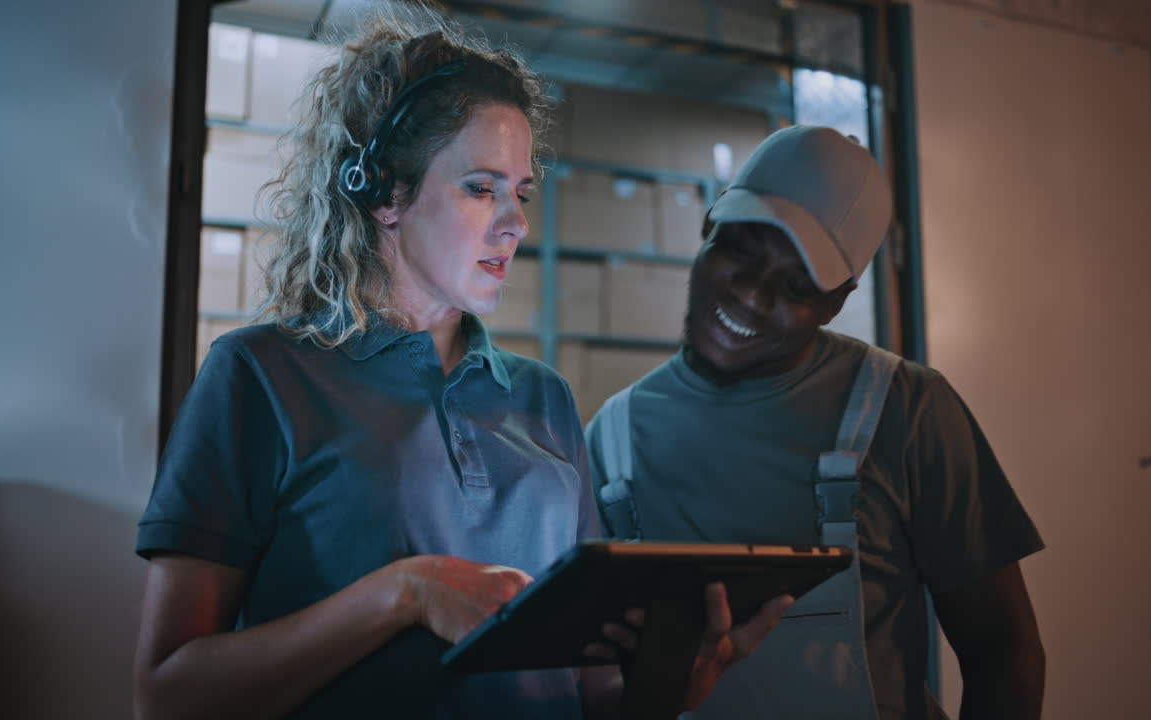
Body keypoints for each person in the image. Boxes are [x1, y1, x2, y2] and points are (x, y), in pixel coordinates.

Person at [132, 8, 790, 720]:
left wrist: (670, 681)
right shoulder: (259, 376)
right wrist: (405, 593)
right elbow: (169, 695)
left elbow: (591, 689)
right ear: (384, 190)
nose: (515, 223)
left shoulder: (543, 399)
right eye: (481, 188)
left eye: (521, 192)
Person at [585, 125, 1046, 720]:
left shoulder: (906, 411)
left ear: (837, 302)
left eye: (797, 284)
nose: (752, 294)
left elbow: (1004, 651)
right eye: (744, 250)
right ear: (709, 227)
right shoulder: (612, 440)